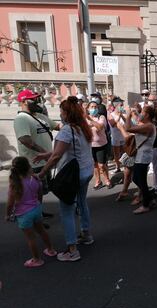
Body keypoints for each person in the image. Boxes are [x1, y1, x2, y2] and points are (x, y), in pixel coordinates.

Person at [35, 96, 95, 262]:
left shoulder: (68, 130)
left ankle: (72, 249)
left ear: (67, 113)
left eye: (61, 111)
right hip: (86, 171)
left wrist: (41, 174)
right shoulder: (83, 128)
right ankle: (86, 234)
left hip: (73, 176)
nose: (60, 113)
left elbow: (56, 157)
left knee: (66, 211)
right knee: (82, 202)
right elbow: (62, 151)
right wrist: (47, 154)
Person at [14, 89, 60, 221]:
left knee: (41, 191)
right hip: (33, 163)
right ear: (23, 101)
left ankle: (38, 212)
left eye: (37, 99)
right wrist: (44, 152)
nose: (37, 101)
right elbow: (25, 140)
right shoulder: (21, 119)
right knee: (33, 192)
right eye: (33, 99)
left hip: (45, 161)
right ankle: (34, 217)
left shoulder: (40, 116)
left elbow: (58, 126)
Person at [5, 156, 57, 268]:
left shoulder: (14, 185)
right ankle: (51, 250)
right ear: (28, 166)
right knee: (42, 231)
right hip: (36, 209)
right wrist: (38, 204)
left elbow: (10, 204)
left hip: (24, 215)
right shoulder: (35, 179)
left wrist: (8, 215)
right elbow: (39, 194)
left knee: (31, 238)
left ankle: (36, 259)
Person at [124, 105, 157, 214]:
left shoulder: (148, 126)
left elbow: (128, 128)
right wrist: (133, 115)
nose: (140, 113)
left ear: (147, 115)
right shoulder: (146, 125)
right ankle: (149, 198)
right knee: (137, 179)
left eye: (142, 112)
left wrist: (128, 114)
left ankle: (146, 205)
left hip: (144, 156)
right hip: (141, 155)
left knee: (140, 179)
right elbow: (131, 126)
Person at [115, 104, 142, 203]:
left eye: (134, 114)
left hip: (137, 152)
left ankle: (141, 194)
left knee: (137, 175)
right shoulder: (134, 122)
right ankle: (125, 190)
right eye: (132, 114)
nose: (132, 116)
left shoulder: (141, 125)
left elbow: (128, 137)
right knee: (127, 172)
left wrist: (121, 128)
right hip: (131, 152)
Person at [86, 101, 113, 190]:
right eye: (92, 107)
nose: (94, 109)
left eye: (95, 107)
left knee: (102, 165)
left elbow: (100, 127)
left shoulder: (101, 117)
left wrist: (90, 121)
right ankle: (98, 181)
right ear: (88, 109)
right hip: (90, 145)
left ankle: (107, 179)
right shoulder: (85, 119)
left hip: (101, 144)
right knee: (94, 164)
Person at [107, 96, 126, 173]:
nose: (122, 107)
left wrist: (122, 116)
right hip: (115, 137)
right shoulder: (111, 115)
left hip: (123, 136)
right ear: (116, 106)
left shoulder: (124, 113)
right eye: (120, 105)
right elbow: (113, 124)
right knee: (116, 153)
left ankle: (125, 166)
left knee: (125, 153)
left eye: (122, 105)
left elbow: (127, 123)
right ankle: (117, 167)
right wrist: (118, 116)